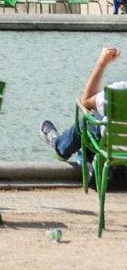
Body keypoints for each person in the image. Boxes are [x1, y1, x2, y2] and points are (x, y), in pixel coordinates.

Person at [44, 44, 127, 182]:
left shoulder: (119, 91)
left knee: (86, 121)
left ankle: (60, 146)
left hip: (113, 147)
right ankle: (85, 156)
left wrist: (102, 63)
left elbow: (85, 103)